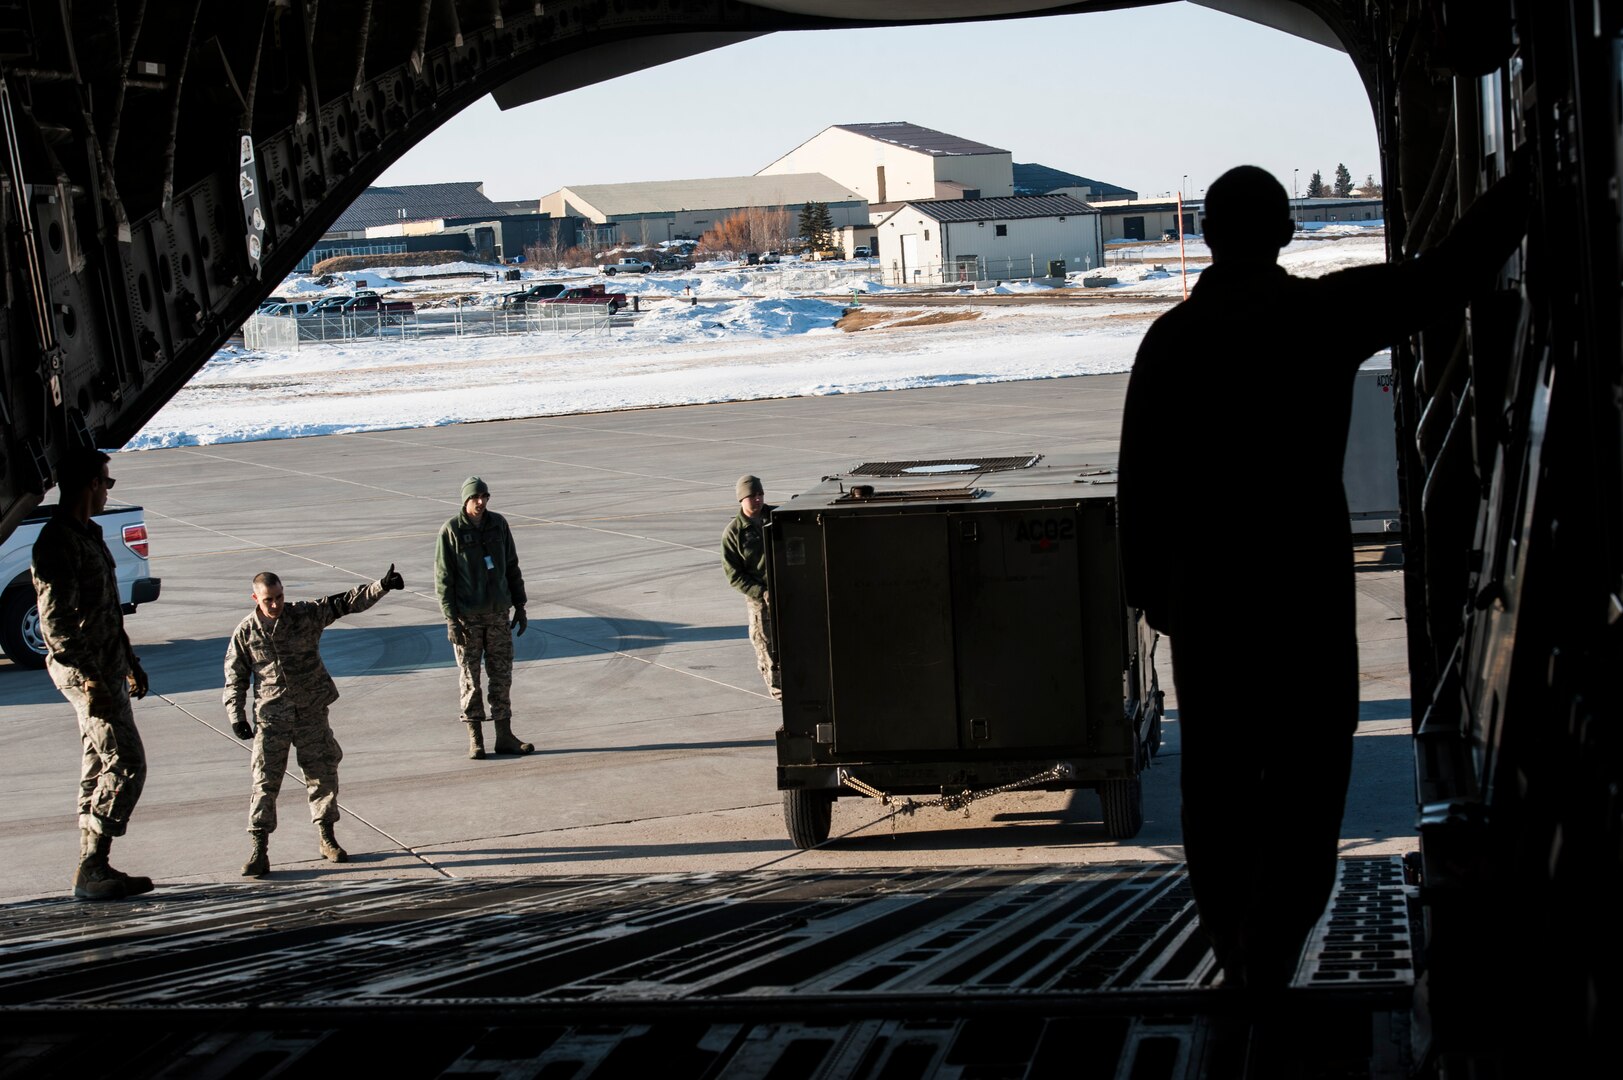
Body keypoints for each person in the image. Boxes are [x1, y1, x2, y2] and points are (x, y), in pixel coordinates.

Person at [1117, 163, 1529, 989]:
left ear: (1206, 235)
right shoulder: (1319, 317)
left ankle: (1237, 949)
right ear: (1286, 232)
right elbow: (1445, 274)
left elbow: (1141, 484)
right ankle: (1272, 942)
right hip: (1301, 591)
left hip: (1210, 600)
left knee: (1219, 784)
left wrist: (1158, 599)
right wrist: (1521, 186)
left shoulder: (1168, 340)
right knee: (1307, 777)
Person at [225, 566, 405, 877]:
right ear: (255, 598)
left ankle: (327, 838)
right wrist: (236, 715)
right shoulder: (246, 631)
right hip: (272, 717)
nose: (276, 604)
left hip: (311, 710)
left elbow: (344, 603)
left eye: (280, 597)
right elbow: (235, 676)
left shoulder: (303, 614)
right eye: (269, 599)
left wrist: (381, 586)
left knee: (322, 774)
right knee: (264, 783)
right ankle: (259, 849)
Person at [32, 448, 153, 901]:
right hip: (88, 675)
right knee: (127, 762)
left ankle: (92, 869)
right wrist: (90, 680)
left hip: (107, 667)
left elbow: (105, 611)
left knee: (98, 765)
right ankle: (92, 866)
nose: (108, 490)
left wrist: (129, 662)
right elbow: (57, 624)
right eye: (107, 482)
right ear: (89, 485)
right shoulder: (57, 543)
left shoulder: (88, 534)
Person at [435, 476, 534, 759]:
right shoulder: (451, 531)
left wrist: (520, 604)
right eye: (475, 498)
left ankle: (504, 735)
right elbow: (443, 578)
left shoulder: (498, 525)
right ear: (465, 500)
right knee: (470, 678)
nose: (480, 502)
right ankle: (475, 738)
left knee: (501, 675)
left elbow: (512, 565)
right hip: (467, 619)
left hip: (498, 614)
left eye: (485, 497)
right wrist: (450, 619)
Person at [722, 474, 780, 698]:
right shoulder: (734, 533)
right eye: (751, 496)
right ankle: (780, 696)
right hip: (761, 600)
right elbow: (734, 575)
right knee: (765, 647)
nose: (757, 499)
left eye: (760, 494)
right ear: (741, 499)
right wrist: (761, 592)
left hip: (788, 591)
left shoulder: (778, 517)